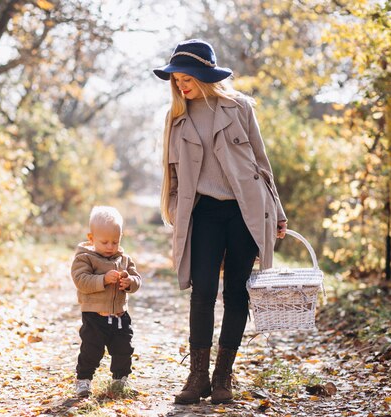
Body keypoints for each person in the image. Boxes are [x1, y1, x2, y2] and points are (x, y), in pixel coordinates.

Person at [152, 39, 288, 405]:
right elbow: (173, 173)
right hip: (204, 213)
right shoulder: (176, 117)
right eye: (176, 80)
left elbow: (262, 163)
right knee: (203, 293)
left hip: (244, 211)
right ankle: (197, 377)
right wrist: (177, 208)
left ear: (205, 76)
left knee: (236, 294)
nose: (181, 85)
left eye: (186, 78)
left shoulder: (239, 107)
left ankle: (223, 375)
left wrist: (276, 211)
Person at [70, 206, 142, 397]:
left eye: (115, 242)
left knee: (124, 350)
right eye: (104, 242)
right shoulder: (85, 258)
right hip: (95, 317)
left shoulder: (124, 259)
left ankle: (120, 380)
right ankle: (83, 380)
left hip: (119, 315)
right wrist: (102, 279)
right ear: (91, 238)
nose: (110, 247)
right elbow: (81, 281)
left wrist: (129, 282)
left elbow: (137, 279)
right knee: (91, 351)